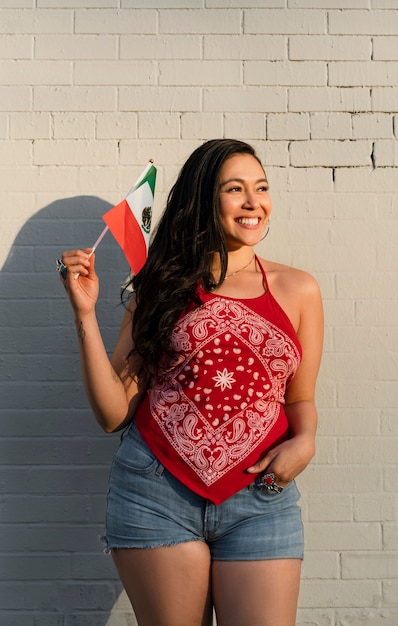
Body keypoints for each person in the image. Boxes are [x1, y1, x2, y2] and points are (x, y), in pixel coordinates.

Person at [57, 139, 323, 626]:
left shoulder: (299, 289)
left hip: (261, 498)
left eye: (261, 188)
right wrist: (85, 315)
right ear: (204, 199)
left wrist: (305, 440)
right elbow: (113, 413)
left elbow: (300, 397)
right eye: (235, 189)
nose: (253, 202)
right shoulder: (161, 287)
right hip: (155, 495)